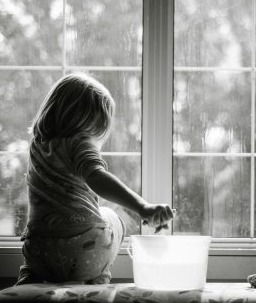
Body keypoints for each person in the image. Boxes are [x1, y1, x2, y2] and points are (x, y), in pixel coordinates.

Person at [16, 72, 175, 285]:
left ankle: (28, 278)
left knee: (40, 235)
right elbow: (97, 177)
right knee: (112, 217)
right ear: (90, 120)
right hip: (82, 251)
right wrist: (143, 207)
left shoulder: (38, 145)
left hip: (38, 251)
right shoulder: (79, 142)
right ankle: (98, 278)